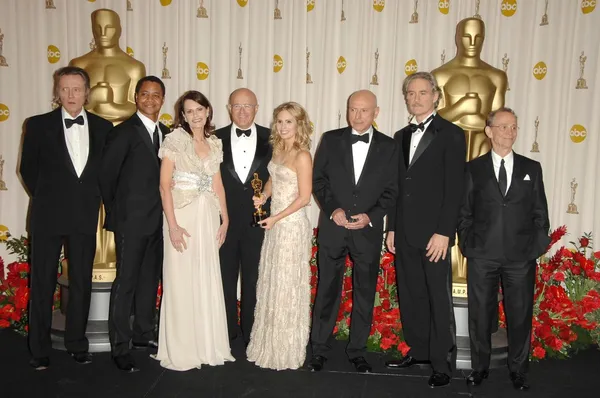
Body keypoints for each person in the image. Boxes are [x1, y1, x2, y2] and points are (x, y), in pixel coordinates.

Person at [20, 66, 112, 370]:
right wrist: (49, 197)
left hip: (85, 216)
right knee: (43, 282)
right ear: (56, 92)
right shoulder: (36, 125)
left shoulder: (103, 128)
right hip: (47, 215)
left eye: (77, 89)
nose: (71, 95)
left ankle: (76, 343)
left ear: (87, 92)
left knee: (81, 282)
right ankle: (39, 349)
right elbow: (27, 171)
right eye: (65, 88)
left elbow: (106, 173)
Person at [458, 108, 550, 391]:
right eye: (503, 127)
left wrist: (534, 248)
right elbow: (464, 213)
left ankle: (518, 370)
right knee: (480, 315)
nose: (509, 132)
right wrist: (470, 244)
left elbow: (540, 214)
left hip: (520, 258)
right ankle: (480, 367)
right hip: (482, 255)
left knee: (520, 315)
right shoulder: (473, 168)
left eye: (514, 127)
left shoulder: (531, 168)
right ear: (489, 131)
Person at [385, 72, 466, 388]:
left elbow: (455, 188)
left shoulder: (451, 134)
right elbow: (395, 186)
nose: (416, 98)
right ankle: (418, 352)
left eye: (422, 92)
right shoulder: (400, 135)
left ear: (435, 96)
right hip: (404, 232)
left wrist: (445, 232)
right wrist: (391, 228)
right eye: (410, 93)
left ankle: (441, 362)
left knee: (437, 297)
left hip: (435, 235)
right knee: (411, 294)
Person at [309, 90, 398, 373]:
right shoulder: (331, 139)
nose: (357, 115)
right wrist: (333, 209)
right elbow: (318, 180)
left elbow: (392, 189)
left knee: (363, 292)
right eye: (352, 109)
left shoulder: (390, 146)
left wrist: (371, 217)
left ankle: (357, 350)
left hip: (367, 232)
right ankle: (319, 349)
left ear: (376, 112)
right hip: (333, 229)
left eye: (363, 110)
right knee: (327, 290)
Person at [152, 91, 234, 371]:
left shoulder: (214, 142)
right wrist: (172, 226)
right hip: (182, 217)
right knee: (180, 278)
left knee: (206, 276)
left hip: (208, 215)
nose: (196, 115)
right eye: (190, 111)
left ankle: (207, 345)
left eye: (200, 109)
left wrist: (225, 219)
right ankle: (182, 347)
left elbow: (218, 184)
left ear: (208, 111)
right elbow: (165, 186)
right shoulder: (175, 140)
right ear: (183, 116)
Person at [99, 76, 169, 372]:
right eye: (144, 94)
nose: (150, 99)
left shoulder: (167, 133)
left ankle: (143, 334)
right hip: (132, 220)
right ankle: (120, 345)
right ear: (135, 97)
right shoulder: (124, 132)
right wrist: (121, 211)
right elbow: (107, 176)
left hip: (160, 221)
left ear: (162, 100)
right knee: (126, 282)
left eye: (156, 95)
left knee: (149, 281)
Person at [246, 102, 313, 370]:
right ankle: (268, 343)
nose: (283, 127)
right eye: (280, 121)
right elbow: (274, 177)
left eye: (289, 122)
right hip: (274, 225)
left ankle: (286, 348)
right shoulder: (278, 148)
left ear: (299, 124)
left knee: (287, 284)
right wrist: (264, 195)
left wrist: (276, 217)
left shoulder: (303, 155)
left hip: (291, 226)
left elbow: (305, 197)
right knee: (272, 282)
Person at [215, 88, 272, 347]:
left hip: (258, 222)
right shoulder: (213, 139)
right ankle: (225, 332)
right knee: (224, 278)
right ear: (229, 108)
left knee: (253, 279)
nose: (242, 111)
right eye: (237, 106)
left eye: (247, 106)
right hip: (222, 221)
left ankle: (251, 332)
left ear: (257, 108)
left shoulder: (273, 139)